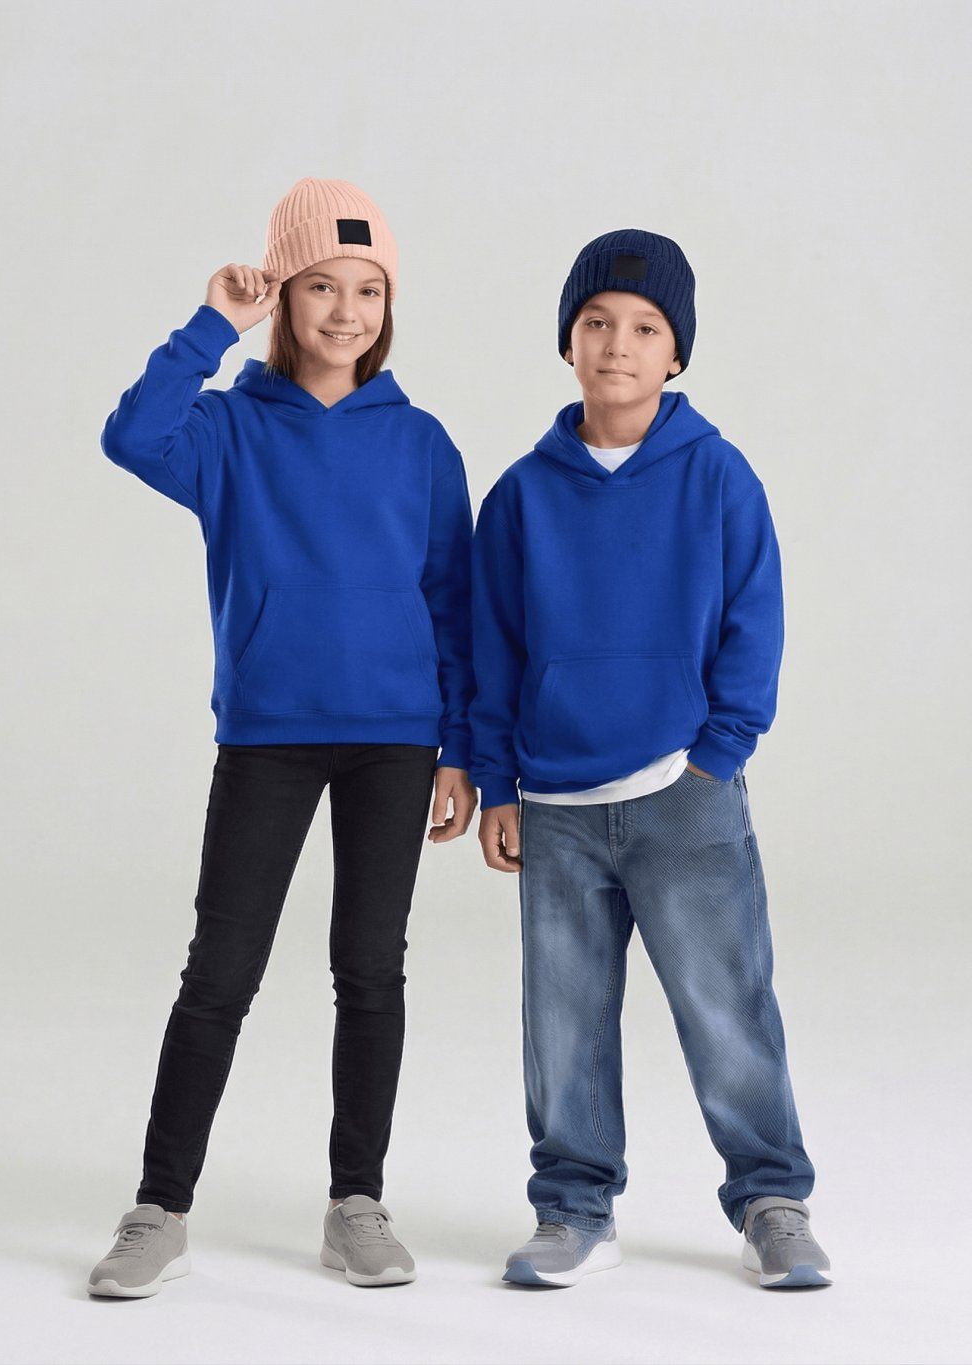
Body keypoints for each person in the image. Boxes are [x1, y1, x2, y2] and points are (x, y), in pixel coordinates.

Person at [86, 178, 477, 1297]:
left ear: (388, 305)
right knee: (220, 972)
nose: (346, 311)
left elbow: (453, 601)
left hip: (396, 741)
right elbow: (130, 435)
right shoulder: (225, 429)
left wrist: (460, 749)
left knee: (371, 971)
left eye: (368, 290)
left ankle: (357, 1202)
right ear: (285, 296)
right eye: (320, 287)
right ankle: (159, 1208)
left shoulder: (422, 443)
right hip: (269, 734)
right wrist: (213, 323)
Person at [469, 229, 831, 1290]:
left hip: (685, 794)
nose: (617, 345)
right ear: (567, 342)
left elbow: (754, 622)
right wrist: (497, 783)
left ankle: (772, 1200)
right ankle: (573, 1208)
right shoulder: (521, 496)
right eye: (596, 323)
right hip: (556, 803)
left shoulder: (717, 476)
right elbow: (491, 649)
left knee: (727, 1008)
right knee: (563, 1021)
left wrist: (717, 753)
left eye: (643, 327)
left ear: (676, 353)